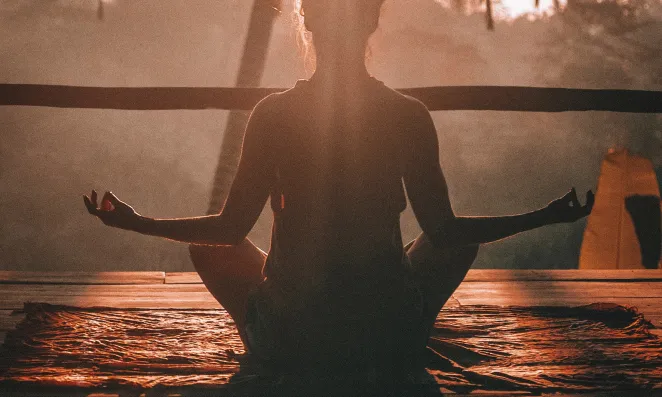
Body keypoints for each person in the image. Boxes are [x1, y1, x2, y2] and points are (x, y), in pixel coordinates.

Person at [84, 0, 594, 385]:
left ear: (307, 21)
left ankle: (271, 346)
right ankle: (406, 337)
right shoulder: (407, 115)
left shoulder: (274, 115)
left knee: (208, 248)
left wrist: (137, 222)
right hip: (383, 330)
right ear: (373, 20)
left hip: (294, 334)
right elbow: (445, 231)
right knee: (458, 242)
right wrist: (544, 216)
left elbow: (229, 229)